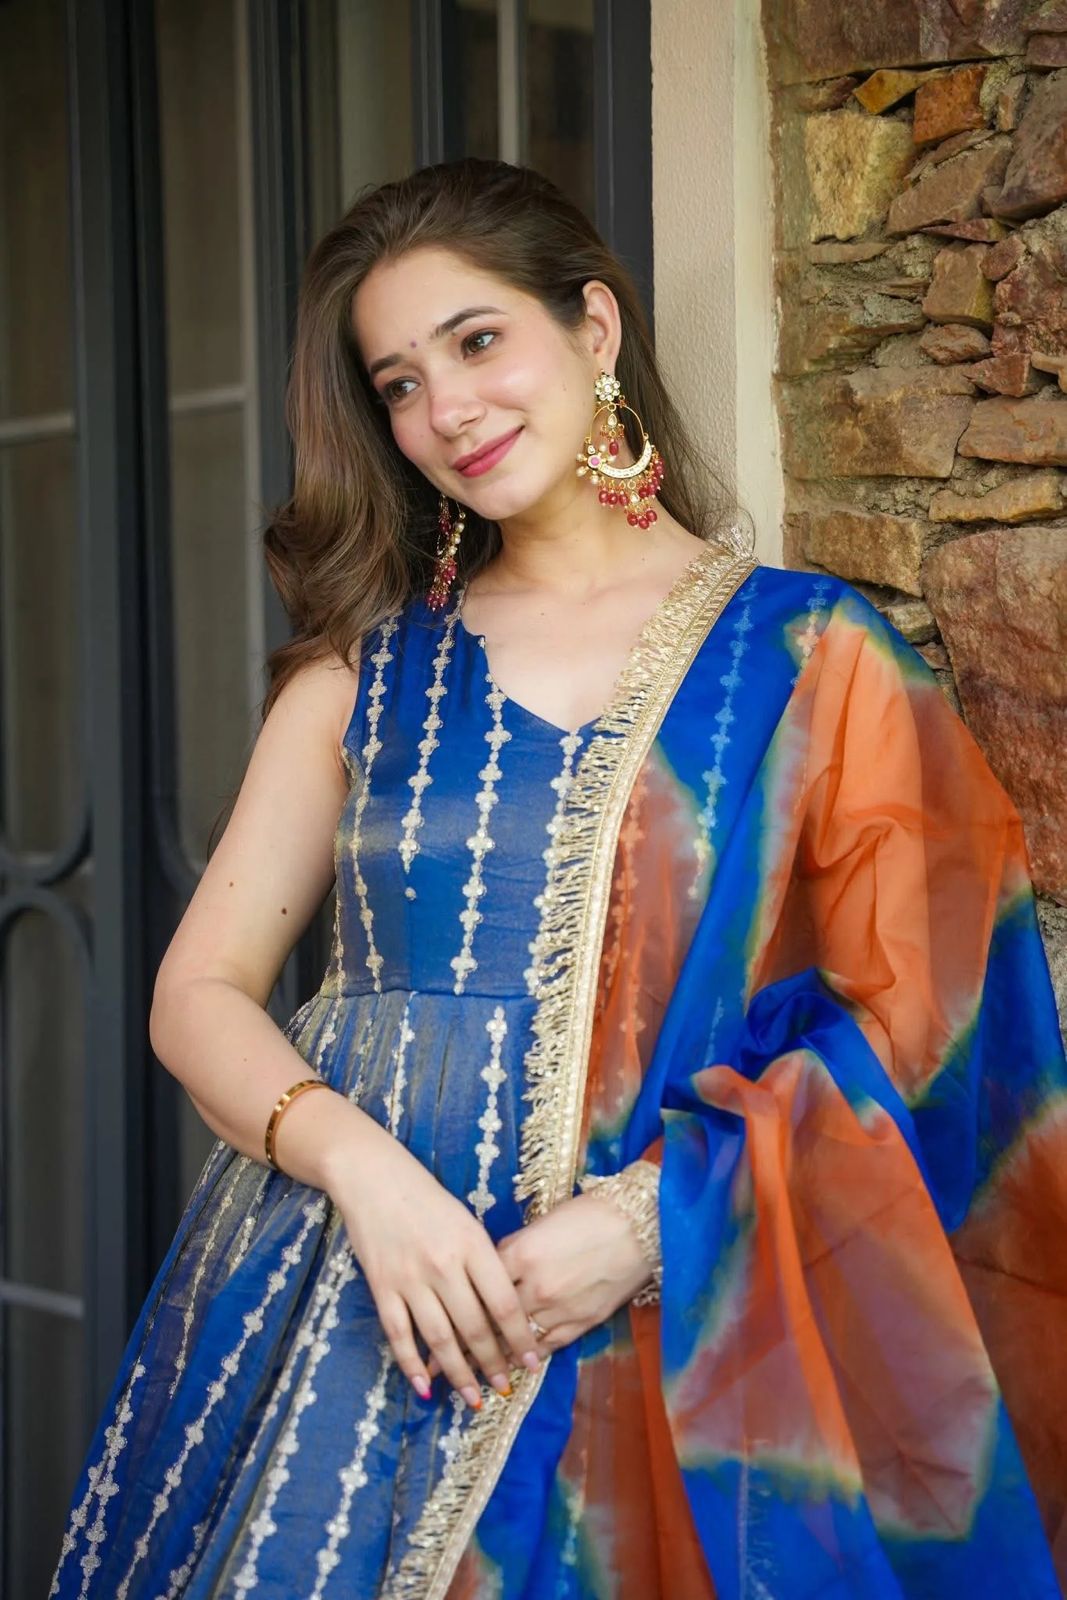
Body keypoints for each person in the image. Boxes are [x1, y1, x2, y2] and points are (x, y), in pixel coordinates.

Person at [49, 157, 1066, 1600]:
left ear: (592, 327)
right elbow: (195, 994)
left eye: (476, 343)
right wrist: (368, 1177)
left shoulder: (810, 659)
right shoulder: (366, 672)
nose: (444, 410)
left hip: (670, 1334)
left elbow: (933, 1026)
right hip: (349, 1307)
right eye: (397, 383)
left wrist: (648, 1223)